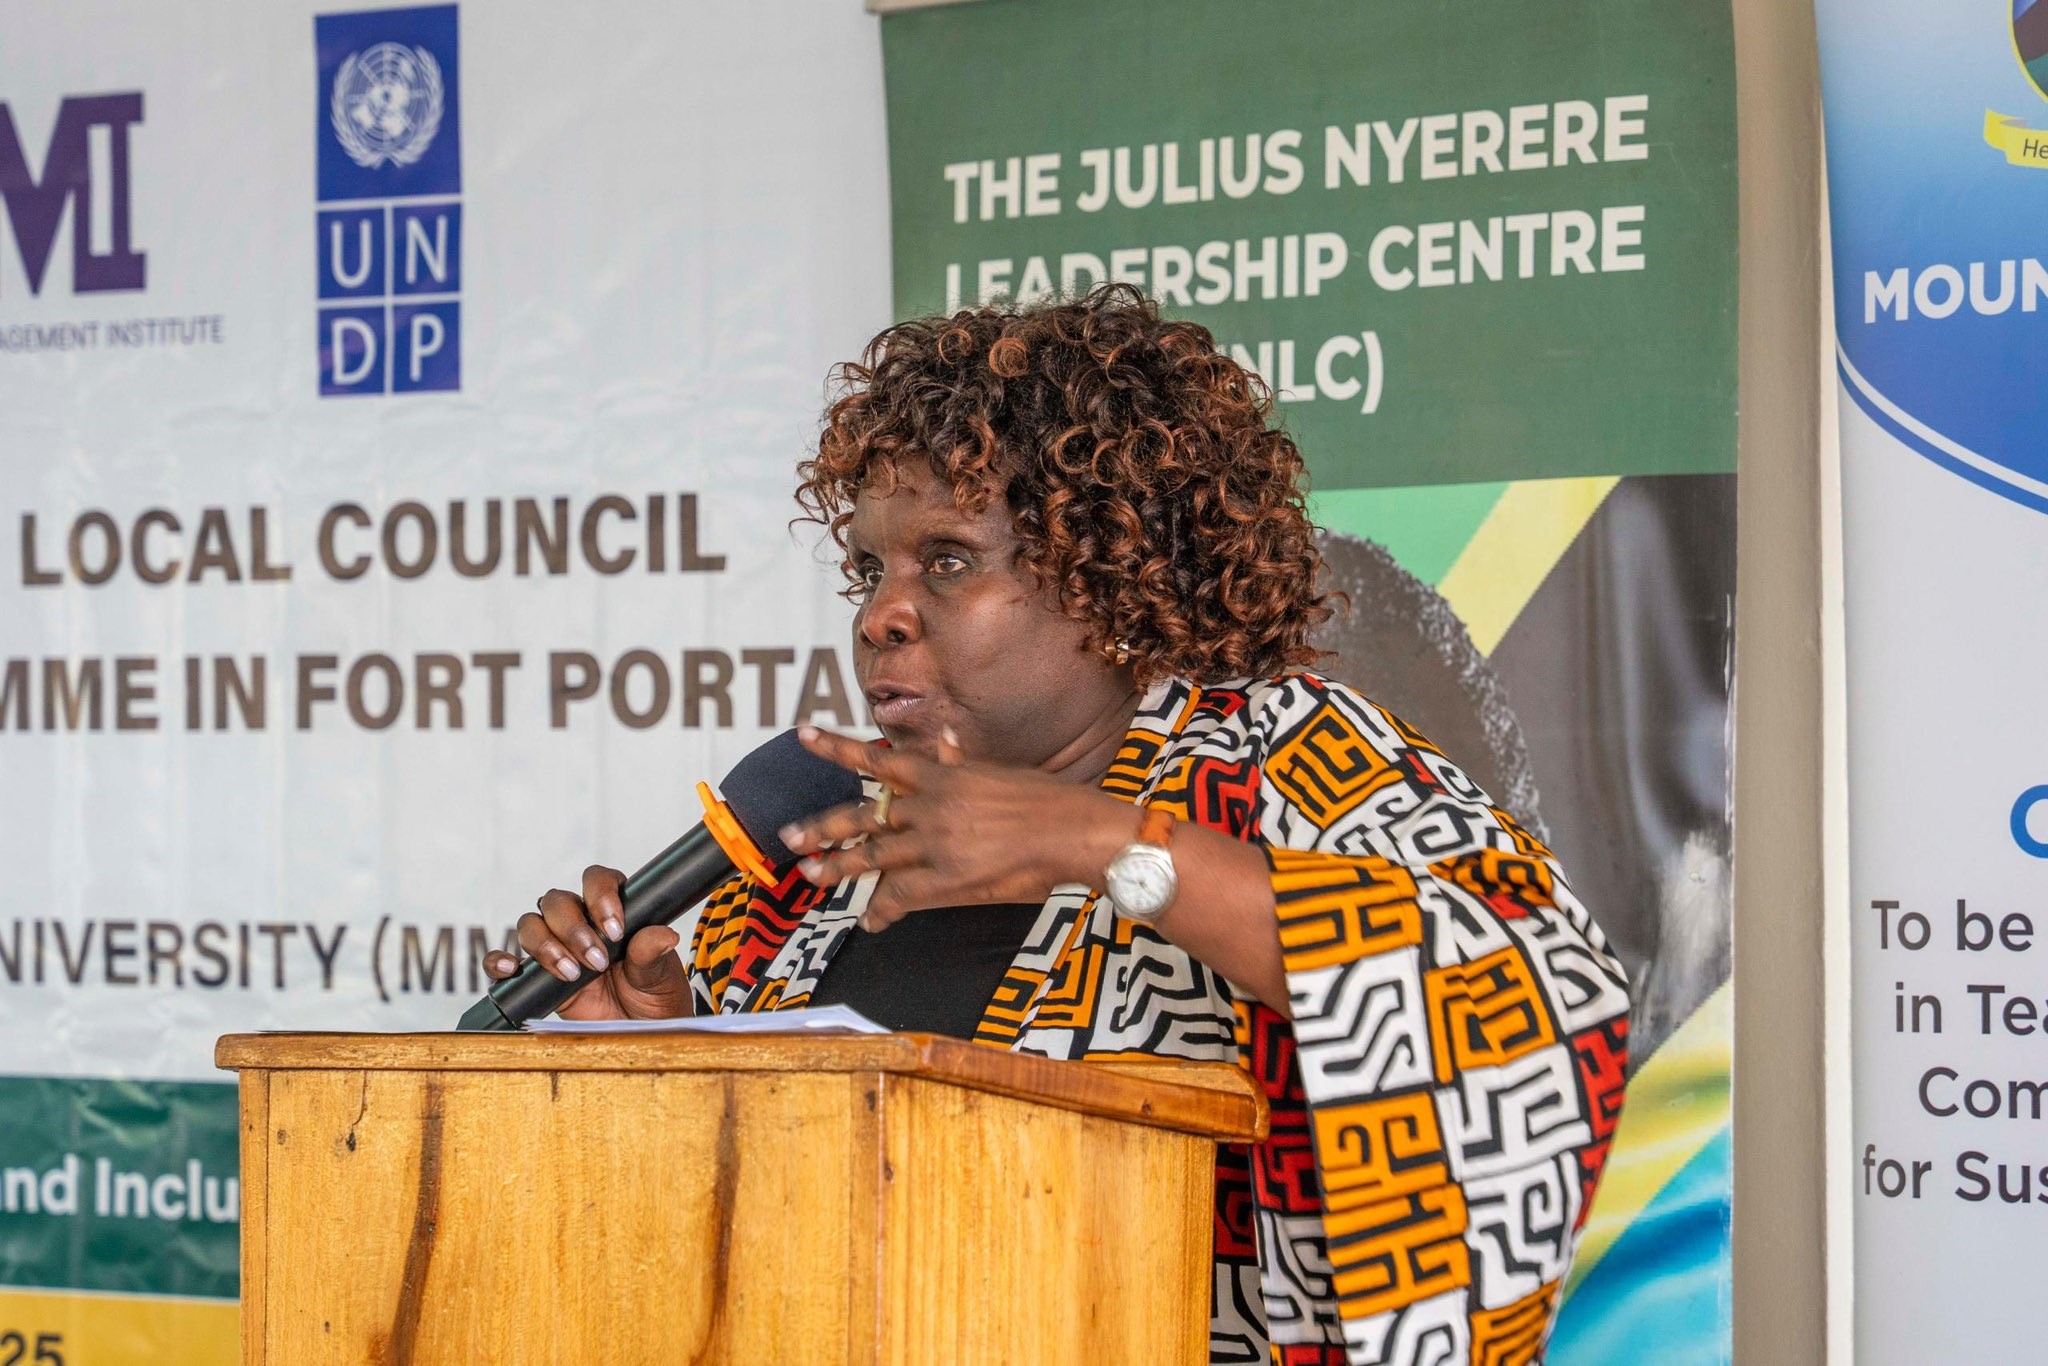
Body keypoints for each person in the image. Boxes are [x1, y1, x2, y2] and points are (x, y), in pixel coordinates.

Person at [484, 284, 1630, 1365]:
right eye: (868, 567)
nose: (881, 614)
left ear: (1109, 576)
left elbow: (1524, 984)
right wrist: (650, 1049)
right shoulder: (810, 870)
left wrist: (1100, 843)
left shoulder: (1279, 752)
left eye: (945, 562)